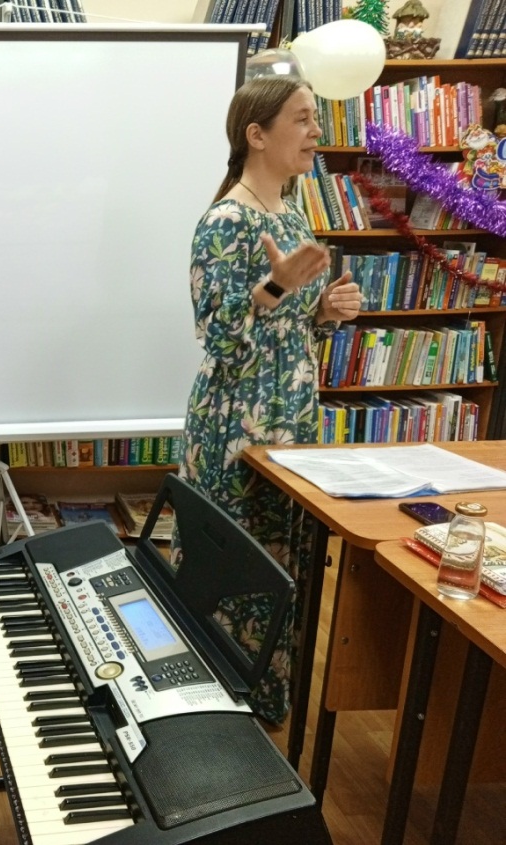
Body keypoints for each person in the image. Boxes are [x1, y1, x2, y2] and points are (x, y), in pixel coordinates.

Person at [178, 76, 363, 726]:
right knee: (237, 573)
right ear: (257, 134)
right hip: (237, 433)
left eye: (316, 118)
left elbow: (286, 327)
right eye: (303, 119)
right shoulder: (225, 221)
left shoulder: (289, 213)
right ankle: (216, 716)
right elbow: (220, 337)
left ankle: (262, 707)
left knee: (280, 570)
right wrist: (274, 288)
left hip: (290, 427)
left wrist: (325, 311)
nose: (317, 131)